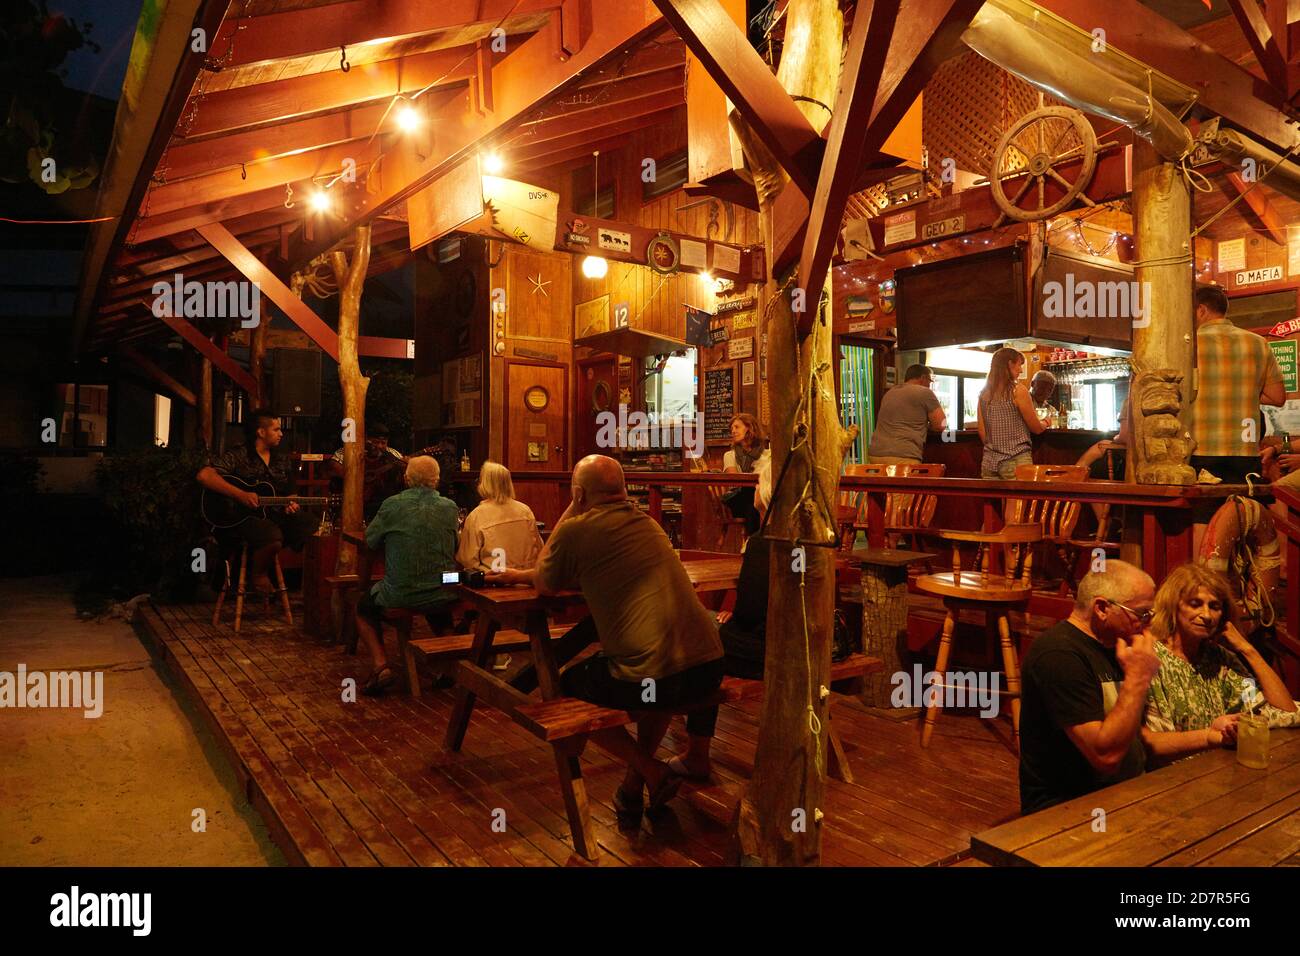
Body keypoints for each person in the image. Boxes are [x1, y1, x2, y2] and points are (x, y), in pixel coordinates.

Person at [487, 455, 724, 814]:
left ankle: (647, 769)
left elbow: (546, 583)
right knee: (657, 684)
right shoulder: (648, 524)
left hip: (659, 675)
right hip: (707, 668)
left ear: (579, 494)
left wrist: (571, 510)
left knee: (567, 686)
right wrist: (524, 573)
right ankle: (632, 785)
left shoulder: (576, 530)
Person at [1018, 560, 1160, 815]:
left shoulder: (1116, 645)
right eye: (1142, 614)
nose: (1148, 624)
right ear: (1102, 608)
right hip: (1070, 811)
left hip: (1125, 794)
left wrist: (1210, 736)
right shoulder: (1058, 655)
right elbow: (1105, 756)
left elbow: (1139, 740)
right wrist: (1138, 678)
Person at [668, 457, 774, 779]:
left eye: (758, 483)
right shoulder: (810, 540)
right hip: (803, 647)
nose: (754, 489)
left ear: (767, 493)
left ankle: (696, 752)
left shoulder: (762, 543)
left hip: (765, 653)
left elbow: (750, 612)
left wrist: (730, 618)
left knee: (699, 639)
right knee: (708, 626)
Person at [1142, 564, 1298, 764]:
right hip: (1167, 781)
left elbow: (1285, 712)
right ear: (1174, 606)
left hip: (1217, 774)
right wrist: (1213, 735)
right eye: (1195, 604)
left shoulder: (1222, 661)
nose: (1206, 615)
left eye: (1214, 607)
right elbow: (1150, 746)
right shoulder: (1151, 657)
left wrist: (1246, 649)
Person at [353, 456, 460, 696]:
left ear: (406, 479)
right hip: (444, 589)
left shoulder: (392, 505)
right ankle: (449, 665)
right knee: (438, 604)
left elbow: (369, 541)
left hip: (402, 592)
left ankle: (381, 666)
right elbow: (456, 545)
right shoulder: (450, 507)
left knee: (362, 607)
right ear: (437, 480)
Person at [197, 408, 318, 596]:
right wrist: (240, 494)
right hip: (241, 518)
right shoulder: (239, 455)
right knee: (271, 536)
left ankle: (312, 585)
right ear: (261, 432)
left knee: (309, 523)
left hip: (273, 515)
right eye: (276, 429)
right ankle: (258, 575)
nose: (281, 434)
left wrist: (291, 504)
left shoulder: (282, 459)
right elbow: (205, 476)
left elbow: (291, 493)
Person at [1187, 285, 1285, 487]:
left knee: (1203, 514)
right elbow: (1277, 397)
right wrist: (1244, 391)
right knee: (1242, 512)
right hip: (1245, 448)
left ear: (1201, 310)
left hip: (1201, 447)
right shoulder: (1258, 343)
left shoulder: (1189, 345)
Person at [455, 461, 543, 573]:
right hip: (526, 581)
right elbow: (539, 549)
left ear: (484, 484)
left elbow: (467, 560)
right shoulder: (525, 511)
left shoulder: (476, 516)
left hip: (493, 583)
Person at [977, 347, 1049, 479]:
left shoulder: (983, 394)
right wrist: (1045, 422)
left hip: (989, 463)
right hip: (1016, 461)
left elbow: (982, 432)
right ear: (1010, 364)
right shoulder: (1018, 390)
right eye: (1019, 365)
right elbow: (1036, 428)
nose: (1021, 370)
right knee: (1019, 500)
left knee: (993, 500)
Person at [867, 364, 946, 465]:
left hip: (876, 454)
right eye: (930, 381)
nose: (929, 385)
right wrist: (927, 426)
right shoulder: (925, 392)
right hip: (903, 455)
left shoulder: (890, 392)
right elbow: (941, 425)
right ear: (923, 378)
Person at [328, 421, 407, 520]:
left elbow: (405, 469)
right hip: (351, 502)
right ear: (366, 439)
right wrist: (357, 467)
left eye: (383, 443)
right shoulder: (350, 451)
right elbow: (334, 466)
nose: (380, 446)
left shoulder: (392, 454)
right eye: (376, 442)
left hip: (381, 506)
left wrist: (407, 464)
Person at [721, 413, 769, 534]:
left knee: (756, 498)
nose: (733, 431)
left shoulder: (766, 454)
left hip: (759, 497)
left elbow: (767, 478)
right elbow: (734, 479)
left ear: (749, 428)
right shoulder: (730, 455)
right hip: (737, 499)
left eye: (737, 427)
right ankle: (757, 540)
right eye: (731, 428)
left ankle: (753, 541)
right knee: (751, 494)